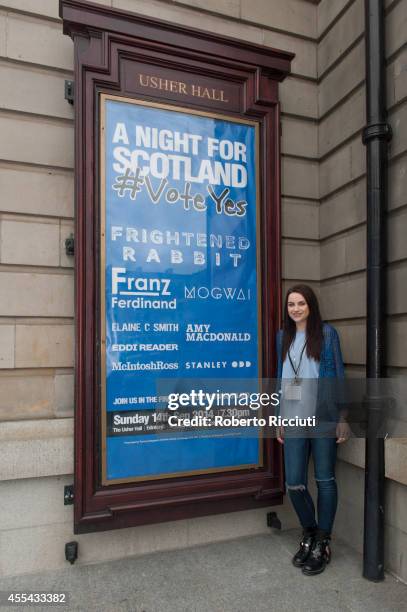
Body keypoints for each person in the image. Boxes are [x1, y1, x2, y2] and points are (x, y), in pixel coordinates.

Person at [275, 284, 350, 576]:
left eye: (301, 304)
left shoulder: (328, 334)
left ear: (311, 306)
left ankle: (322, 542)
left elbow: (339, 375)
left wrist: (342, 416)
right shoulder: (283, 336)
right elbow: (281, 377)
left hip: (323, 417)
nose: (295, 309)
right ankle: (309, 532)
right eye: (291, 304)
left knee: (324, 479)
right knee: (294, 482)